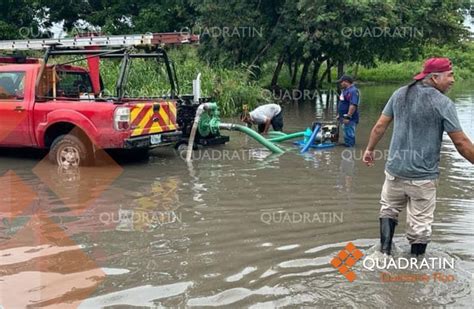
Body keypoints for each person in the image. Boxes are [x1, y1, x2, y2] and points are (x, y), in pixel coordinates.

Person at [362, 57, 474, 256]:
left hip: (394, 172)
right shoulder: (443, 103)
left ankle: (384, 254)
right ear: (434, 77)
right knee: (420, 226)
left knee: (388, 210)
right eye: (450, 75)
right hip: (423, 178)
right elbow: (461, 143)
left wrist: (369, 150)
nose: (453, 80)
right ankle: (414, 269)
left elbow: (380, 126)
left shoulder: (399, 94)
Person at [336, 75, 360, 147]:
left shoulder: (353, 91)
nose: (340, 84)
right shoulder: (346, 90)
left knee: (349, 133)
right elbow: (344, 103)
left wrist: (348, 117)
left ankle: (350, 150)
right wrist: (339, 115)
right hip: (343, 117)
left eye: (341, 82)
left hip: (350, 119)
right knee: (346, 132)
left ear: (346, 82)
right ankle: (347, 146)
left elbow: (353, 105)